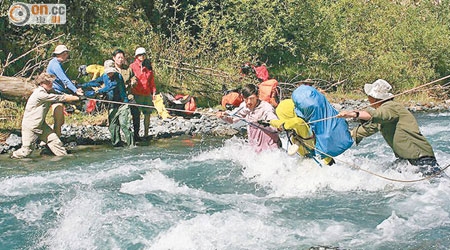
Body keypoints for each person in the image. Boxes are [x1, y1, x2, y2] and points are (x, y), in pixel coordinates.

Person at [337, 79, 441, 176]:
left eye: (369, 95)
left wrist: (354, 114)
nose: (368, 98)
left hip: (421, 158)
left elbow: (378, 115)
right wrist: (345, 136)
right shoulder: (384, 111)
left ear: (374, 97)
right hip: (407, 160)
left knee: (438, 186)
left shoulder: (391, 107)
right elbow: (369, 128)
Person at [12, 73, 82, 158]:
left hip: (41, 125)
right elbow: (58, 98)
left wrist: (75, 96)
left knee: (55, 141)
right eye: (48, 83)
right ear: (41, 84)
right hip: (31, 126)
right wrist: (77, 98)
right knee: (26, 151)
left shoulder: (47, 91)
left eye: (51, 82)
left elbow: (60, 94)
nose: (51, 84)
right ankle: (14, 156)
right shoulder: (39, 93)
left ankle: (65, 159)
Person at [291, 85, 353, 161]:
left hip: (319, 148)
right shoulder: (320, 98)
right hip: (342, 136)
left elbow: (298, 117)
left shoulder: (299, 113)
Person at [81, 64, 134, 147]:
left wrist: (97, 92)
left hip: (122, 104)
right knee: (113, 126)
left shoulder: (118, 77)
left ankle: (132, 146)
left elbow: (109, 87)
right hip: (112, 104)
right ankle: (117, 145)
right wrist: (82, 85)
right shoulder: (105, 75)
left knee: (124, 125)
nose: (109, 74)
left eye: (111, 72)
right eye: (108, 72)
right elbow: (96, 82)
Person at [269, 99, 335, 165]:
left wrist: (277, 124)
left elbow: (295, 122)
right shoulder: (304, 122)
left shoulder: (300, 123)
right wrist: (270, 122)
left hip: (320, 160)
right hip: (318, 158)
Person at [216, 84, 280, 152]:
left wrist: (279, 125)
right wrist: (223, 116)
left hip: (271, 148)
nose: (249, 102)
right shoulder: (244, 106)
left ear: (257, 97)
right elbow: (232, 120)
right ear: (243, 97)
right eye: (246, 99)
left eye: (252, 98)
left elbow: (273, 119)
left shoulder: (266, 107)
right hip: (254, 148)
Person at [46, 45, 83, 137]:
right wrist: (76, 91)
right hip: (55, 94)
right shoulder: (55, 65)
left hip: (57, 93)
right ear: (61, 54)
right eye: (65, 53)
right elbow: (64, 79)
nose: (67, 55)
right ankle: (52, 142)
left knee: (60, 121)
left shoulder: (55, 63)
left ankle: (52, 141)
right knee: (59, 121)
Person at [129, 47, 156, 140]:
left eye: (143, 54)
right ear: (136, 56)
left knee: (147, 114)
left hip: (147, 94)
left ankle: (146, 134)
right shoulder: (132, 66)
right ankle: (136, 135)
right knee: (136, 115)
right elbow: (129, 78)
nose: (142, 56)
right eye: (140, 55)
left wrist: (154, 92)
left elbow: (151, 81)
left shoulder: (148, 65)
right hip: (136, 94)